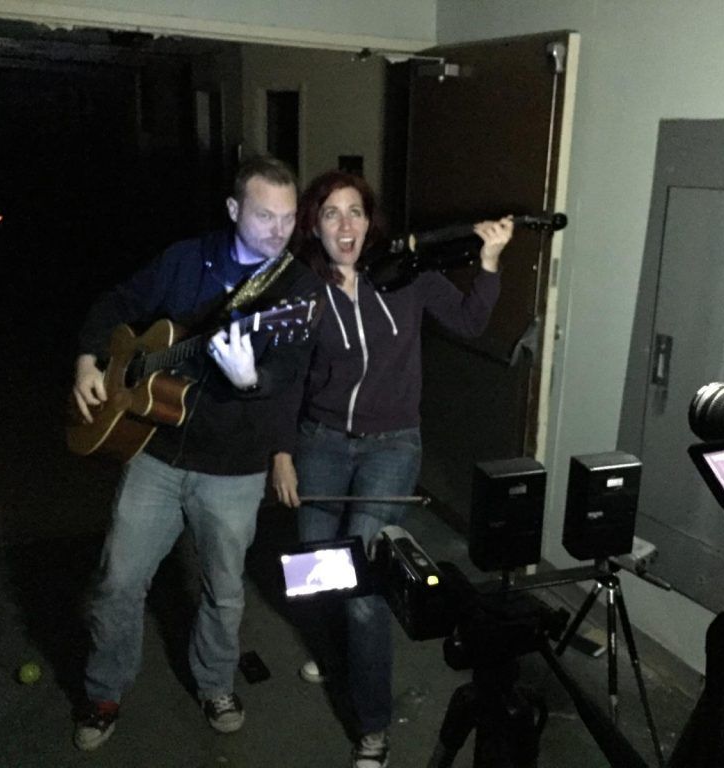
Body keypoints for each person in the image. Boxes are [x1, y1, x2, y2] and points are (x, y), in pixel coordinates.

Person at [70, 155, 321, 751]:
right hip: (153, 455)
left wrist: (247, 379)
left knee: (224, 589)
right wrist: (87, 358)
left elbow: (289, 371)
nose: (278, 231)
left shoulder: (297, 291)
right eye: (264, 216)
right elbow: (117, 302)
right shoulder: (186, 259)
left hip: (233, 468)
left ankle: (215, 683)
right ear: (234, 210)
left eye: (289, 219)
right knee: (117, 581)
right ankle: (104, 692)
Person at [272, 170, 513, 768]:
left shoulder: (406, 277)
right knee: (315, 574)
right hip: (321, 441)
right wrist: (281, 452)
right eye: (331, 213)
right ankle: (338, 661)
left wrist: (489, 262)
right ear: (315, 226)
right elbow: (287, 380)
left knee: (363, 590)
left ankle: (373, 726)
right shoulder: (303, 290)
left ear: (370, 221)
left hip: (391, 446)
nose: (345, 225)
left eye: (355, 211)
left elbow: (469, 321)